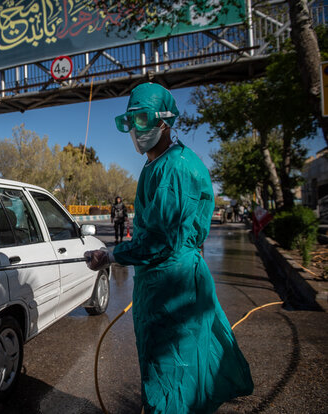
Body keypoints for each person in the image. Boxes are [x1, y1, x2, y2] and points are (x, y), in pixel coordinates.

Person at [84, 83, 253, 413]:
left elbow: (161, 240)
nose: (135, 130)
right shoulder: (155, 165)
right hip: (160, 283)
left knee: (173, 372)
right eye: (130, 122)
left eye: (143, 119)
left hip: (173, 286)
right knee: (173, 367)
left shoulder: (175, 168)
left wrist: (111, 255)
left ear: (165, 121)